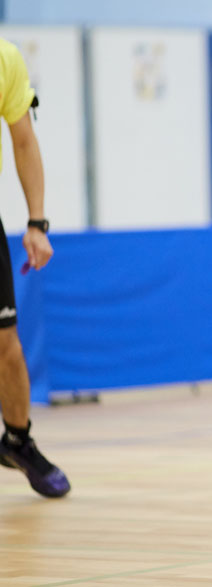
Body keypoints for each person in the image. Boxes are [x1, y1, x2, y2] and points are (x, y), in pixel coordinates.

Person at [0, 38, 70, 498]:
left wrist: (36, 223)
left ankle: (18, 443)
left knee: (6, 347)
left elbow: (24, 139)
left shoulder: (4, 58)